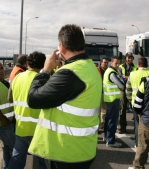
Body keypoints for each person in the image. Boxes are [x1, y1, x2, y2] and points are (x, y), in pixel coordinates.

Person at [27, 24, 102, 169]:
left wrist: (45, 70)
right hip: (82, 148)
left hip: (66, 152)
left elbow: (33, 99)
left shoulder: (70, 72)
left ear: (61, 47)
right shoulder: (89, 66)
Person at [8, 51, 47, 169]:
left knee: (17, 160)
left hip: (21, 128)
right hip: (39, 129)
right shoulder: (42, 79)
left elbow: (9, 98)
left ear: (28, 62)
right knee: (44, 162)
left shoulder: (17, 77)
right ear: (43, 64)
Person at [125, 57, 149, 148]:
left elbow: (128, 90)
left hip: (135, 104)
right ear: (147, 65)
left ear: (138, 64)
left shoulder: (132, 74)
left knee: (137, 125)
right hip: (148, 104)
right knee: (148, 125)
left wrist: (130, 100)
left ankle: (138, 144)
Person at [103, 56, 124, 147]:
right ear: (111, 63)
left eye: (119, 63)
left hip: (109, 99)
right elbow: (121, 85)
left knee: (108, 119)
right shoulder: (112, 73)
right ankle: (111, 141)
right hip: (113, 99)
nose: (118, 65)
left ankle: (106, 137)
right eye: (116, 63)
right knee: (112, 121)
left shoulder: (109, 71)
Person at [118, 52, 137, 133]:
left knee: (135, 109)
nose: (129, 59)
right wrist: (129, 77)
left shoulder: (135, 67)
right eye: (128, 57)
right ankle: (123, 127)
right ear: (125, 58)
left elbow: (125, 77)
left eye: (130, 57)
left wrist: (126, 77)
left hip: (132, 90)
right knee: (122, 109)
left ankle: (136, 128)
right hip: (123, 89)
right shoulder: (120, 67)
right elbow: (120, 77)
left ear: (132, 58)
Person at [97, 57, 109, 129]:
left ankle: (102, 124)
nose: (106, 64)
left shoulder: (108, 70)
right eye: (104, 62)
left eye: (107, 62)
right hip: (98, 92)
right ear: (101, 63)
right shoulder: (97, 70)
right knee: (98, 110)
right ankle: (97, 125)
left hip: (105, 92)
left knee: (104, 109)